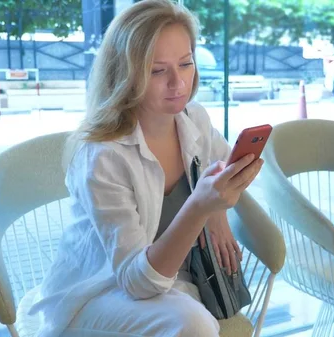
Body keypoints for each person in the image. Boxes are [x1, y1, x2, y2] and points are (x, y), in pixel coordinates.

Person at [27, 1, 263, 336]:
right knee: (193, 325)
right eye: (157, 71)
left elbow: (218, 167)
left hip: (173, 278)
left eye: (186, 64)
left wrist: (217, 215)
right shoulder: (103, 157)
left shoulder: (193, 118)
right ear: (124, 73)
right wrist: (200, 207)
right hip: (100, 293)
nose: (178, 83)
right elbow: (136, 282)